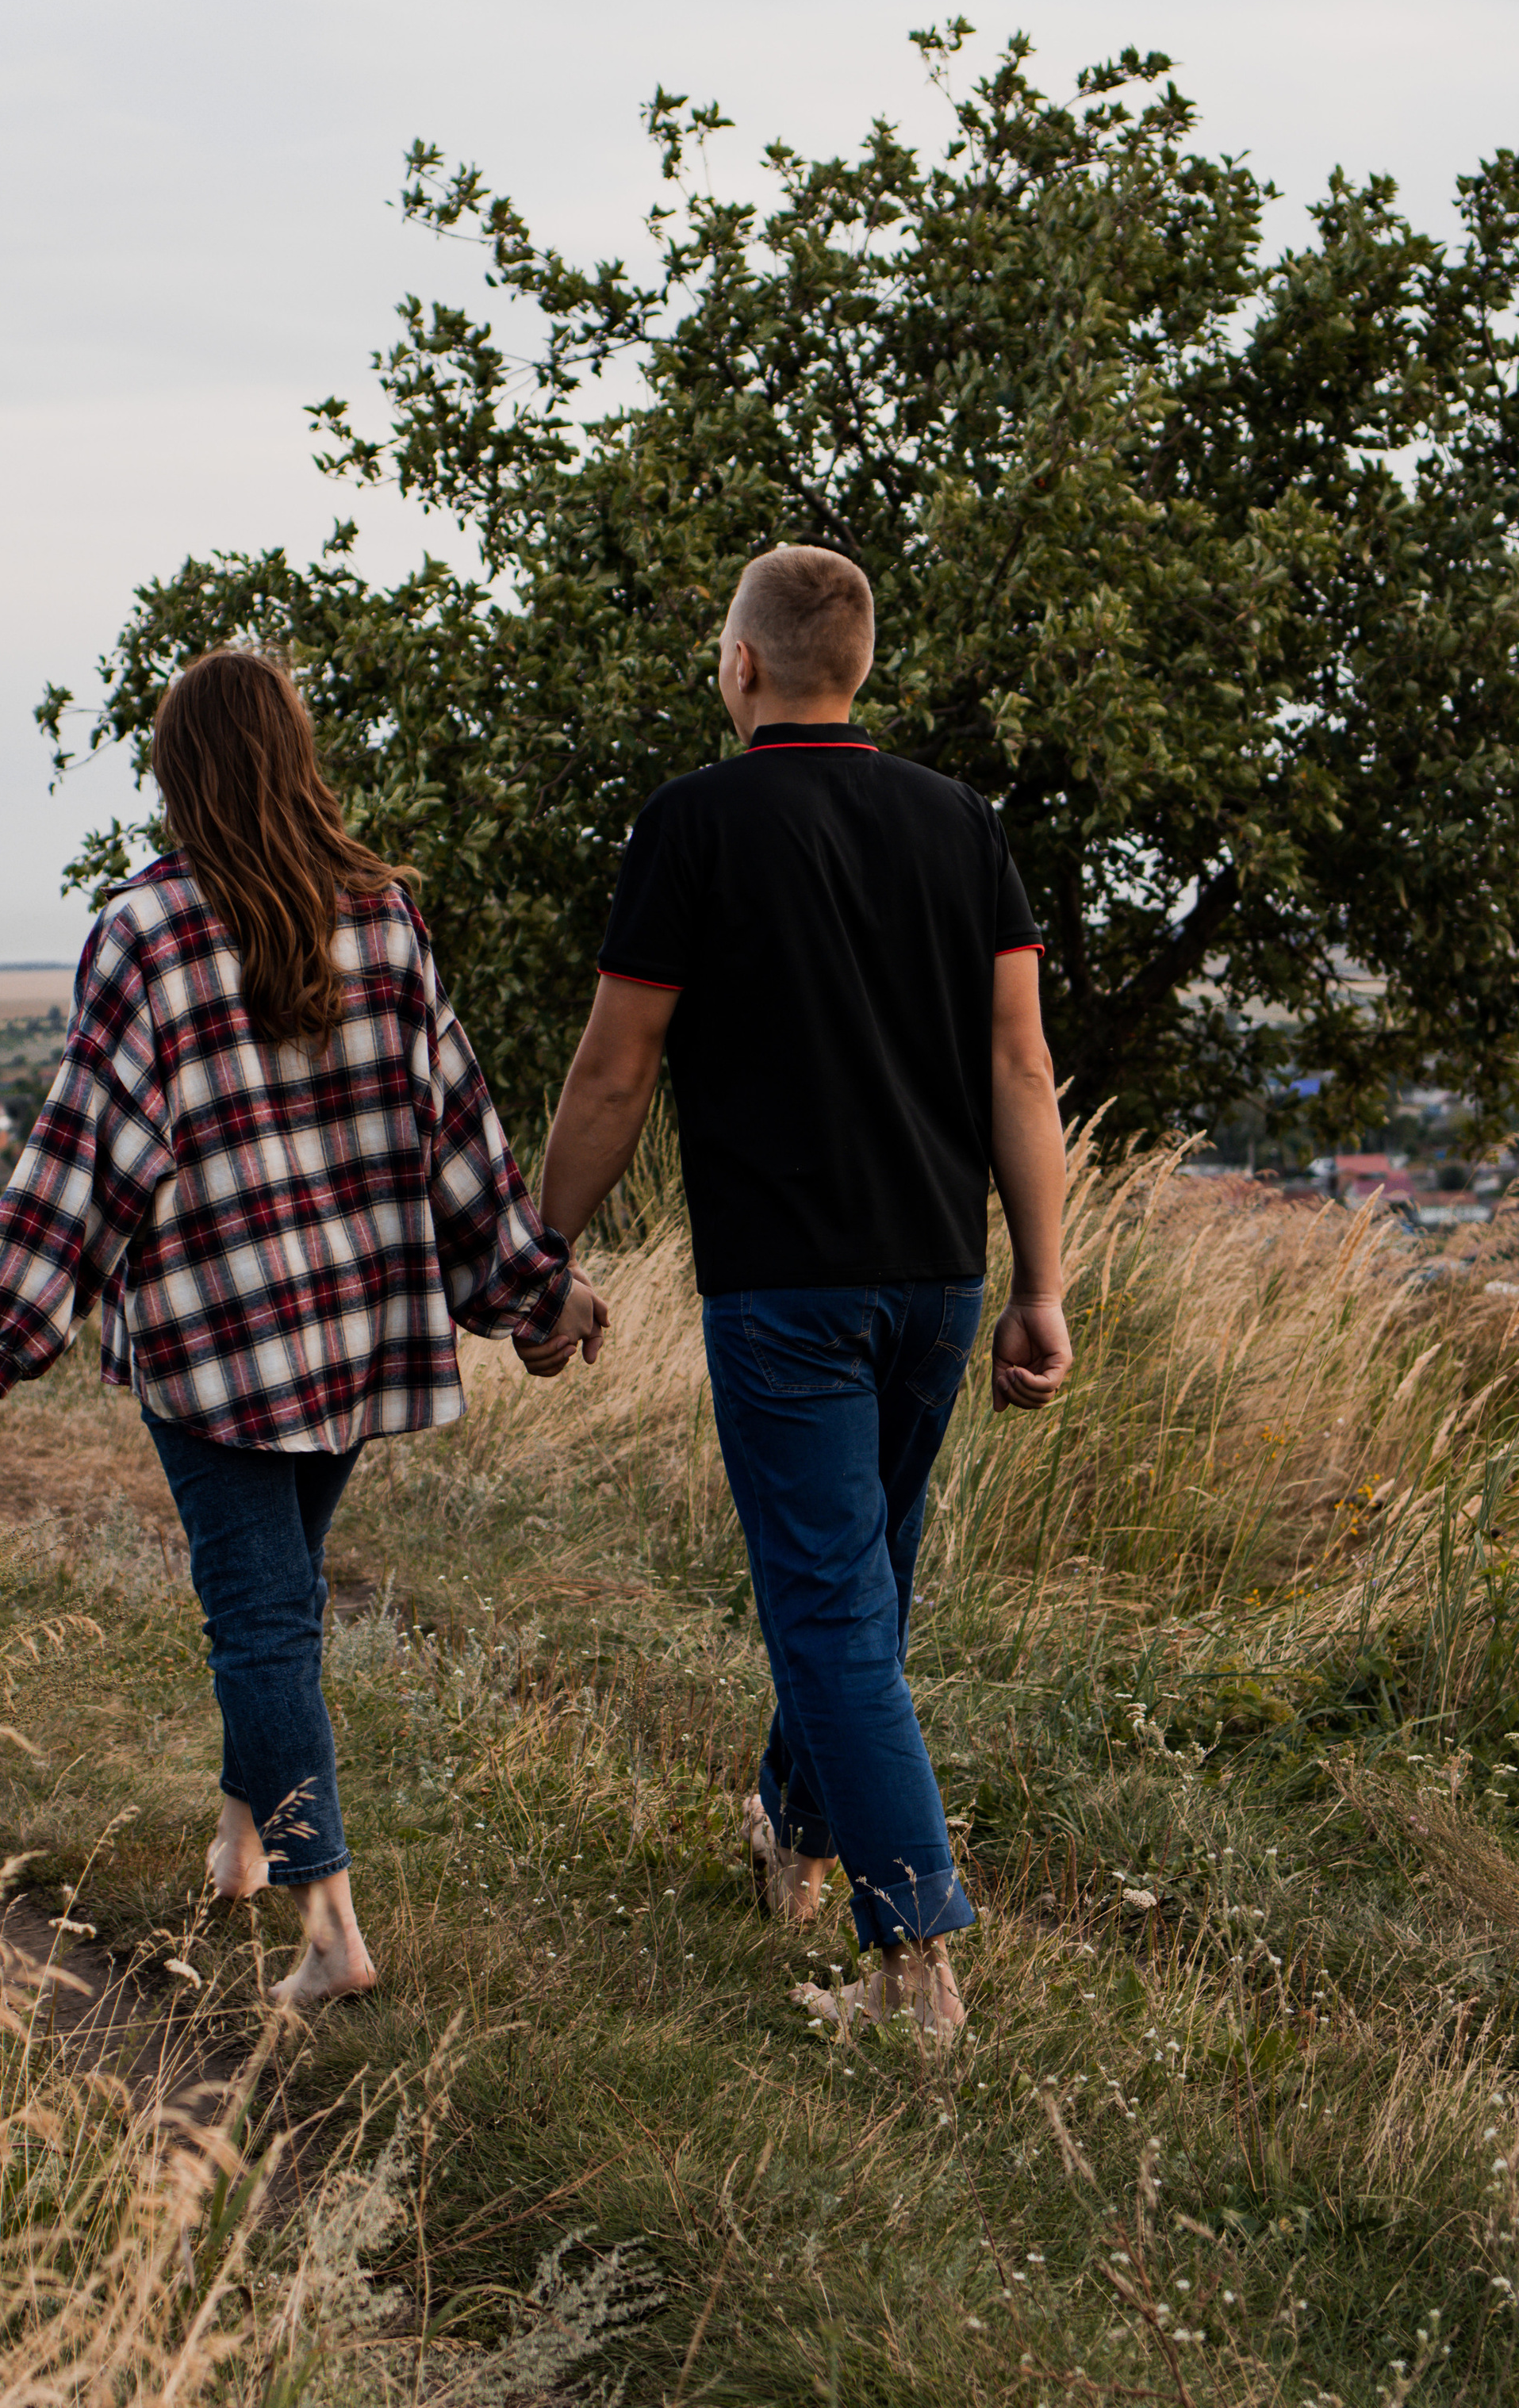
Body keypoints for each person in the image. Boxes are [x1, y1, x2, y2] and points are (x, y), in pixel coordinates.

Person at [0, 647, 606, 2011]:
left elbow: (83, 1155)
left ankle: (329, 1926)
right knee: (270, 1595)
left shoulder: (147, 932)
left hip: (216, 1345)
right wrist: (537, 1293)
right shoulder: (383, 918)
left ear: (176, 777)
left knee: (263, 1620)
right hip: (351, 1338)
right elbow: (456, 1141)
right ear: (296, 759)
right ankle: (242, 1843)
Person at [535, 544, 1071, 2038]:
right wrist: (1047, 1285)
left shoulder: (693, 824)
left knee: (838, 1612)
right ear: (864, 666)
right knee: (863, 1598)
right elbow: (1020, 1068)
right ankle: (793, 1824)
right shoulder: (961, 826)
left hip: (786, 1292)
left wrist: (538, 1252)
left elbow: (615, 1065)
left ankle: (916, 1958)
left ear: (744, 667)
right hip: (939, 1278)